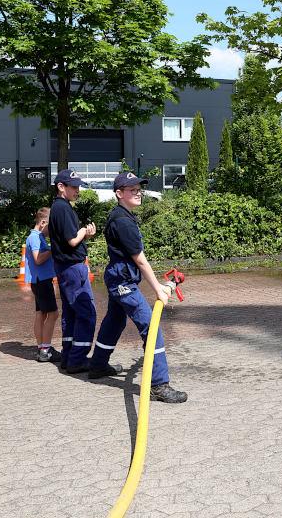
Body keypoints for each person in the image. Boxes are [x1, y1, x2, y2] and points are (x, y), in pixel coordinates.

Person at [88, 172, 187, 403]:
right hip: (123, 282)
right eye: (131, 189)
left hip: (118, 278)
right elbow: (140, 260)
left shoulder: (121, 215)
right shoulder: (123, 221)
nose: (138, 192)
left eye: (139, 188)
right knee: (151, 328)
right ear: (119, 193)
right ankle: (159, 385)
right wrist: (159, 289)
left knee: (115, 321)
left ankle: (98, 365)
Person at [49, 169, 98, 373]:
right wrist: (84, 232)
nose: (78, 190)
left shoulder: (58, 208)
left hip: (64, 268)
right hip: (73, 268)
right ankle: (78, 359)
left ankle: (68, 355)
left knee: (70, 312)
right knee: (87, 313)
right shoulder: (63, 209)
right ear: (61, 187)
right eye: (74, 187)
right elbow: (71, 240)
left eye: (78, 186)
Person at [25, 207, 61, 363]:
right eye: (50, 227)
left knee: (42, 314)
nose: (51, 231)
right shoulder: (35, 238)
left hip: (39, 281)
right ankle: (45, 350)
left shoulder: (36, 237)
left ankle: (42, 347)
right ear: (43, 223)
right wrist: (54, 248)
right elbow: (38, 259)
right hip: (41, 281)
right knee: (53, 314)